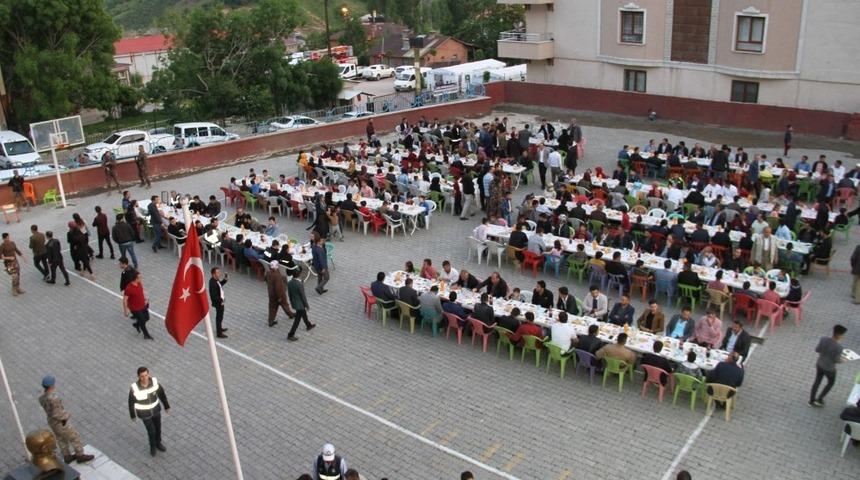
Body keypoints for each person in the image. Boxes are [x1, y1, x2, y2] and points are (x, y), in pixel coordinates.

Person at [38, 375, 94, 464]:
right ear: (52, 386)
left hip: (52, 422)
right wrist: (66, 415)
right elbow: (57, 414)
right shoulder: (53, 398)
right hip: (60, 422)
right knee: (74, 437)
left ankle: (66, 456)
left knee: (61, 438)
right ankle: (80, 455)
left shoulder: (41, 398)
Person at [128, 366, 170, 456]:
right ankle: (153, 446)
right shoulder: (135, 388)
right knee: (151, 431)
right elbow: (131, 402)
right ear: (138, 377)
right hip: (144, 414)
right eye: (142, 376)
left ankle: (158, 443)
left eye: (146, 375)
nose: (144, 378)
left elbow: (162, 394)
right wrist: (133, 415)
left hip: (156, 411)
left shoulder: (154, 383)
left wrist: (166, 406)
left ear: (148, 374)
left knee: (158, 429)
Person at [809, 324, 847, 407]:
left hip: (820, 364)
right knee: (830, 383)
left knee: (817, 382)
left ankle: (811, 400)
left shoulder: (823, 339)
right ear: (839, 335)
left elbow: (817, 350)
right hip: (829, 369)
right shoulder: (839, 347)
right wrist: (843, 360)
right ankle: (820, 399)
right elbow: (836, 360)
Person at [287, 269, 316, 341]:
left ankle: (308, 325)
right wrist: (307, 305)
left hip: (295, 303)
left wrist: (291, 302)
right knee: (297, 320)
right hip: (300, 305)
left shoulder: (290, 283)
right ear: (298, 275)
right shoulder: (299, 284)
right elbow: (303, 296)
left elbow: (289, 294)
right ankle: (291, 334)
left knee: (304, 315)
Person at [123, 271, 152, 339]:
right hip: (135, 309)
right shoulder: (128, 289)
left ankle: (136, 324)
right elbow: (124, 300)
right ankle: (146, 334)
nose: (141, 278)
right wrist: (125, 311)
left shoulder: (139, 283)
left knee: (147, 318)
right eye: (140, 277)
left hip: (143, 305)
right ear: (135, 279)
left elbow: (141, 292)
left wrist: (145, 299)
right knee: (142, 320)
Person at [267, 260, 295, 327]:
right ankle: (290, 315)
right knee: (285, 304)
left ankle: (270, 321)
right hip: (279, 295)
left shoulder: (268, 273)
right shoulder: (276, 275)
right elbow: (278, 287)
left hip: (271, 294)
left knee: (272, 308)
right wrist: (280, 297)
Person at [209, 267, 229, 338]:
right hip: (219, 303)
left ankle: (220, 328)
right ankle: (219, 333)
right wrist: (221, 300)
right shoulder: (213, 284)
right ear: (213, 274)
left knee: (220, 316)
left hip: (220, 302)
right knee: (219, 317)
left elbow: (219, 285)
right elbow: (214, 296)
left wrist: (225, 280)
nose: (219, 274)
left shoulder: (215, 280)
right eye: (217, 273)